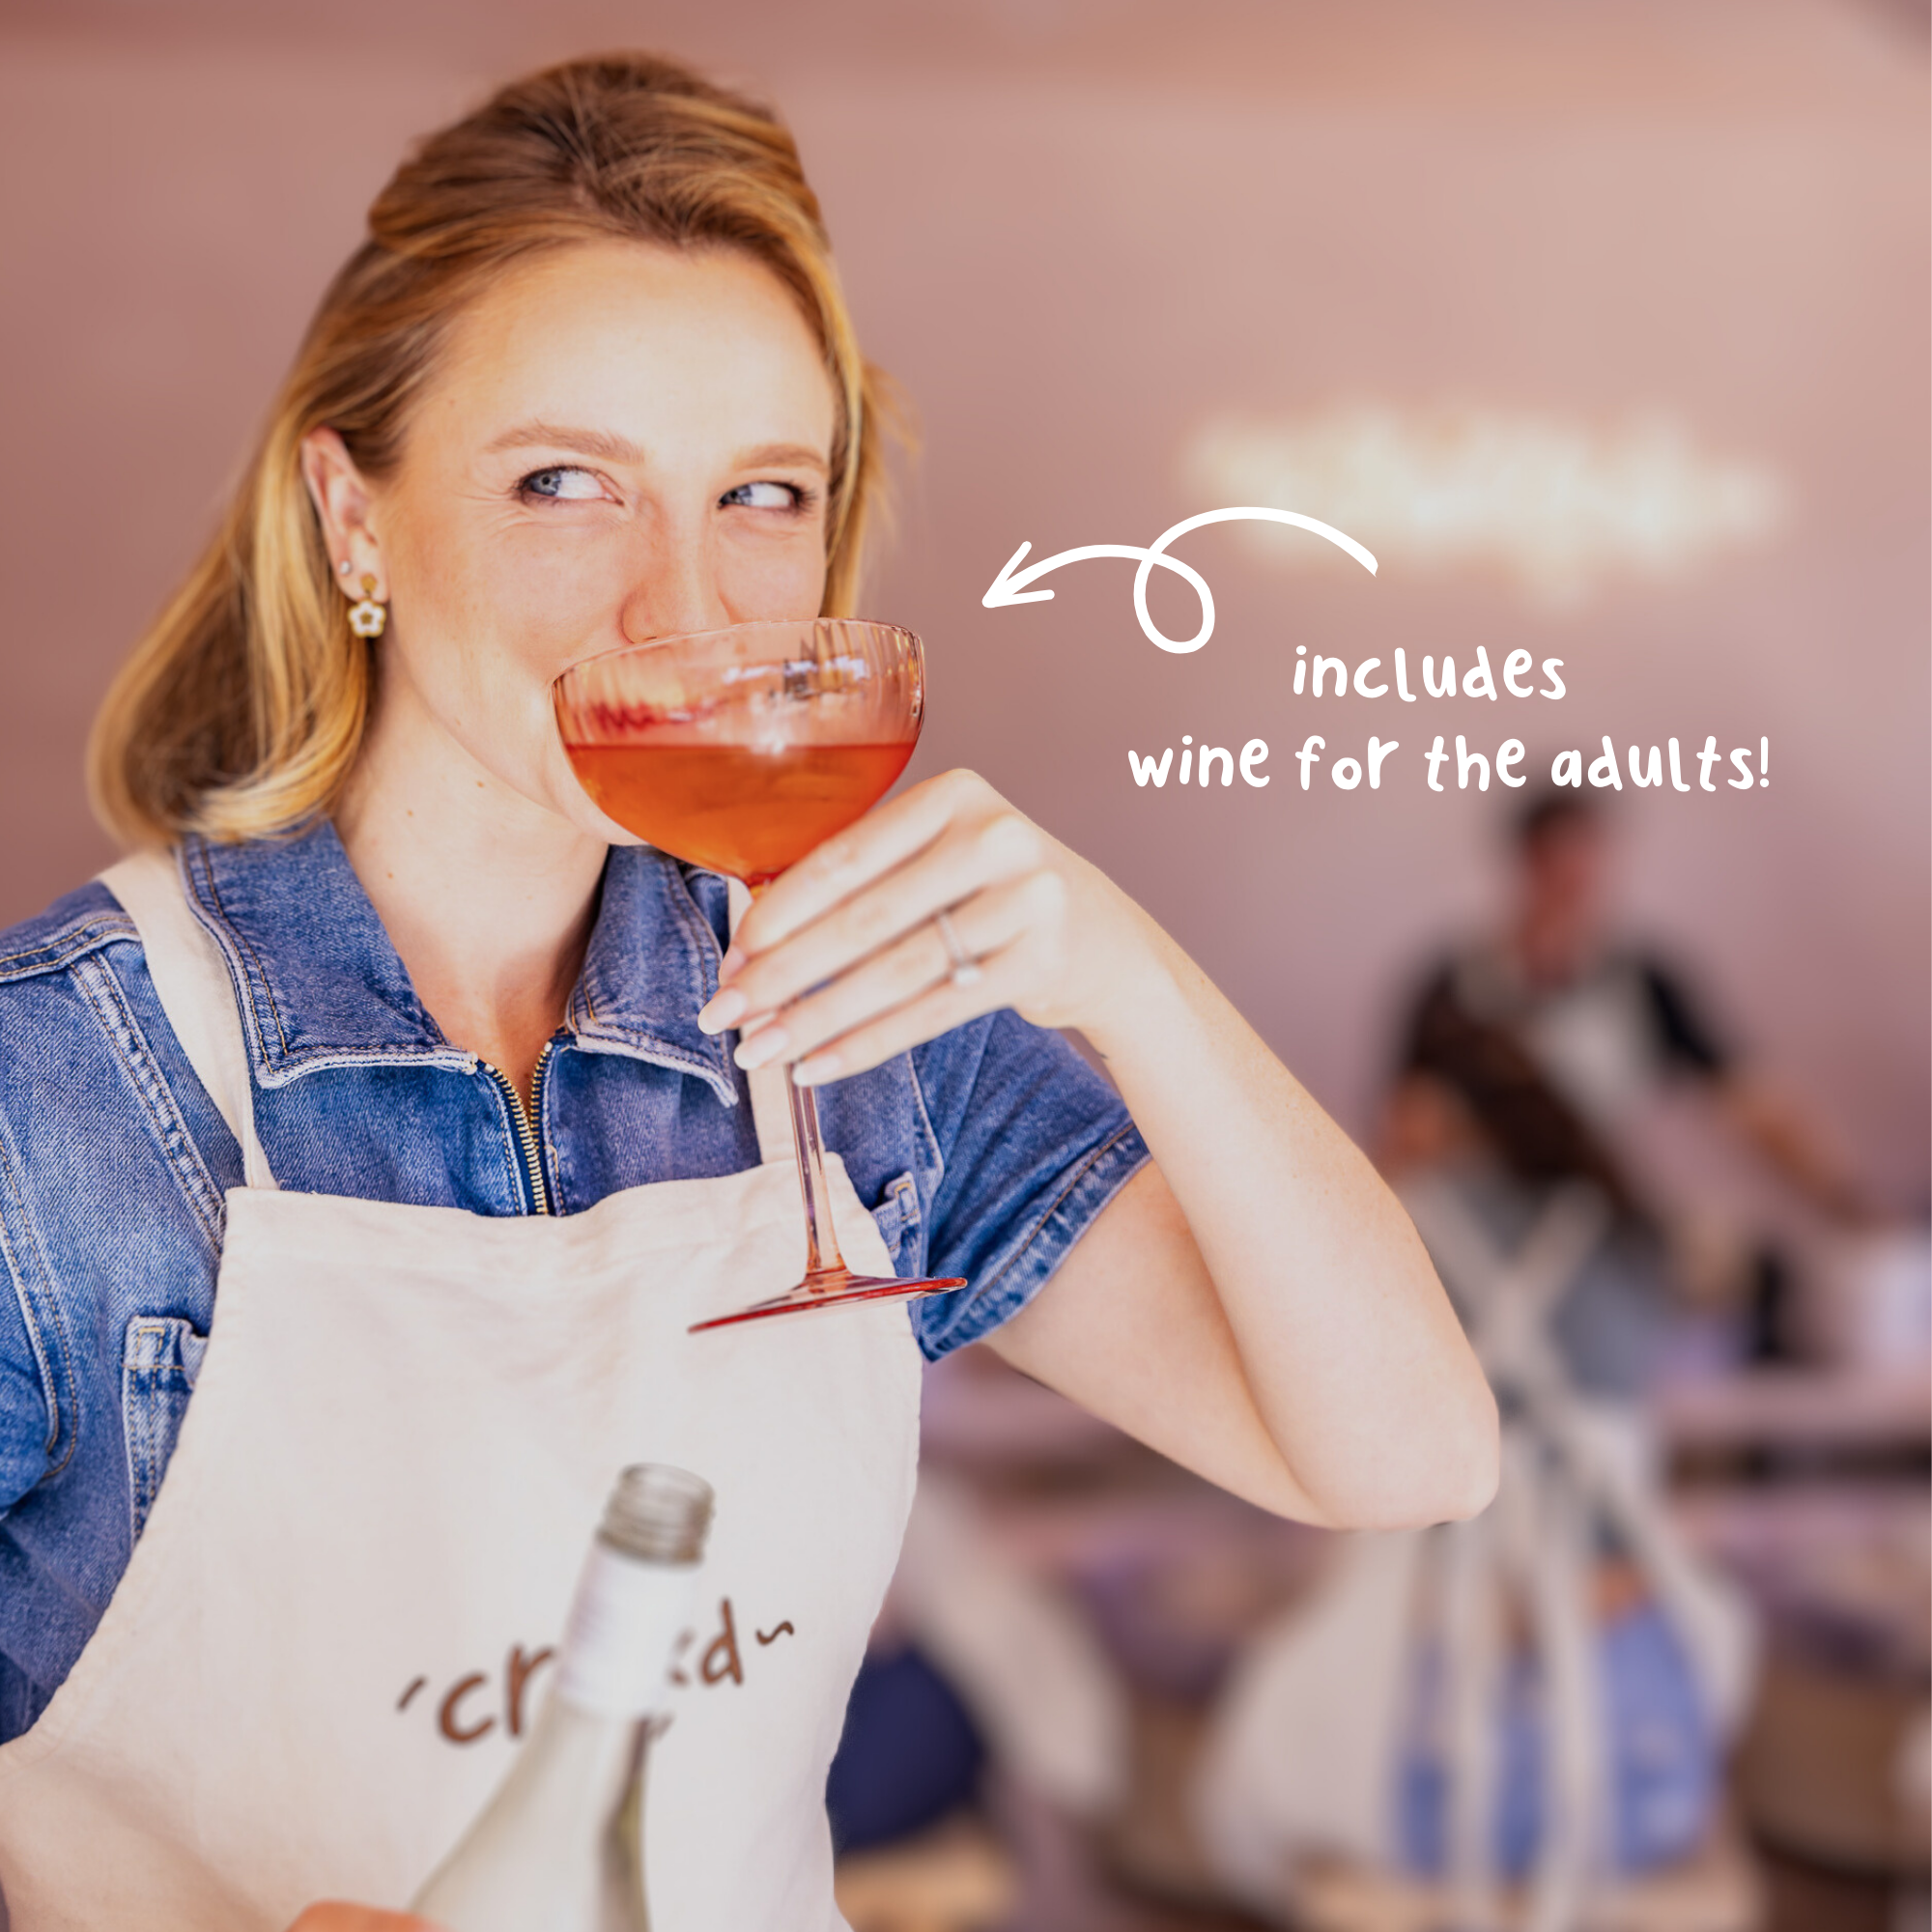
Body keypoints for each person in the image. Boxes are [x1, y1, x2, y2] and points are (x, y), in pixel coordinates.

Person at [0, 54, 1495, 1931]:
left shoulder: (854, 1032)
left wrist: (1117, 966)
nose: (678, 612)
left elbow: (1411, 1453)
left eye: (761, 496)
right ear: (351, 514)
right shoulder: (46, 1101)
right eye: (565, 483)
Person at [1385, 787, 1864, 1392]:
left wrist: (1846, 1200)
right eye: (1559, 866)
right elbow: (1406, 1133)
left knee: (1760, 1279)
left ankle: (1749, 1460)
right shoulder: (1455, 991)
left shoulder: (1641, 982)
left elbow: (1754, 1106)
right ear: (1525, 865)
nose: (1575, 888)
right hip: (1487, 1230)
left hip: (1609, 1217)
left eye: (1588, 867)